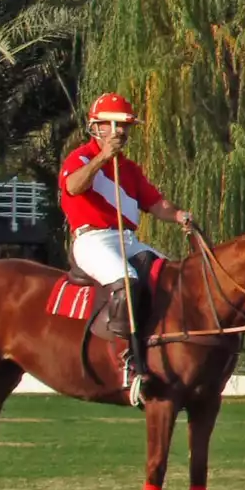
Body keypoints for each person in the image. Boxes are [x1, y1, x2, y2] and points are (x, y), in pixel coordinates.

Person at [58, 92, 197, 404]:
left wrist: (178, 215)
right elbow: (74, 186)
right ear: (97, 127)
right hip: (92, 239)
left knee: (174, 278)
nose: (121, 131)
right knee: (127, 282)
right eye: (115, 125)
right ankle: (129, 362)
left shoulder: (130, 169)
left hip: (127, 239)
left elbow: (155, 203)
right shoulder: (80, 158)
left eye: (125, 126)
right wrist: (102, 158)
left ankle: (165, 349)